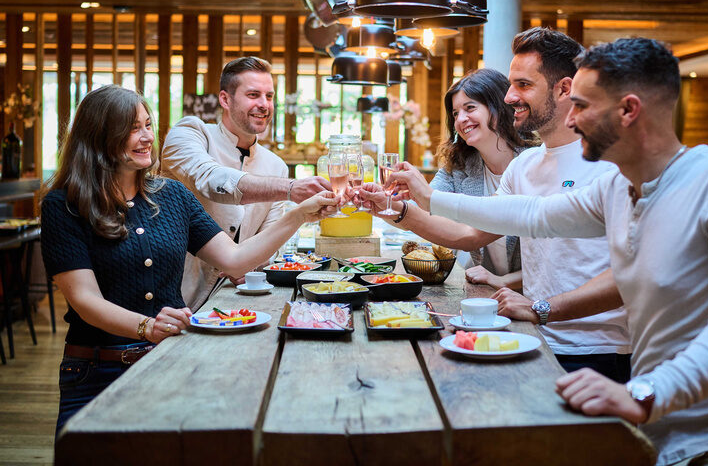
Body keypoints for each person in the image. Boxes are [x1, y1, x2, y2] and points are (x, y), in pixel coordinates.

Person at [389, 37, 708, 466]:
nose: (572, 118)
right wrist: (428, 199)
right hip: (656, 434)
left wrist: (644, 393)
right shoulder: (616, 187)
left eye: (583, 106)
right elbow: (533, 213)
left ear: (628, 111)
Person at [41, 85, 337, 434]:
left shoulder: (173, 195)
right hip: (96, 370)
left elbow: (234, 260)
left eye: (148, 125)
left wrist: (299, 215)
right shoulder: (64, 206)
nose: (147, 137)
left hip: (170, 362)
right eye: (132, 128)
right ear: (99, 136)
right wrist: (146, 326)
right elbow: (85, 299)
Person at [362, 28, 631, 382]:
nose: (508, 96)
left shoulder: (614, 165)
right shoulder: (526, 165)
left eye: (523, 85)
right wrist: (399, 210)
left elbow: (628, 275)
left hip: (595, 352)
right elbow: (472, 233)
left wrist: (541, 308)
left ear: (564, 89)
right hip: (528, 335)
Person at [162, 56, 331, 311]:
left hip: (238, 303)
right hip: (177, 300)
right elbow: (212, 180)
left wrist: (255, 264)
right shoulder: (190, 133)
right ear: (225, 99)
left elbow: (272, 239)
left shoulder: (276, 166)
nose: (264, 104)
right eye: (253, 95)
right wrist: (290, 189)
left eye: (269, 96)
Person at [429, 68, 528, 285]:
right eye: (455, 113)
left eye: (470, 108)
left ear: (498, 107)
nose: (461, 119)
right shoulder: (460, 164)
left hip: (534, 297)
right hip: (486, 294)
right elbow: (424, 204)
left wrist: (502, 281)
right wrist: (386, 201)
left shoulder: (533, 163)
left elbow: (555, 257)